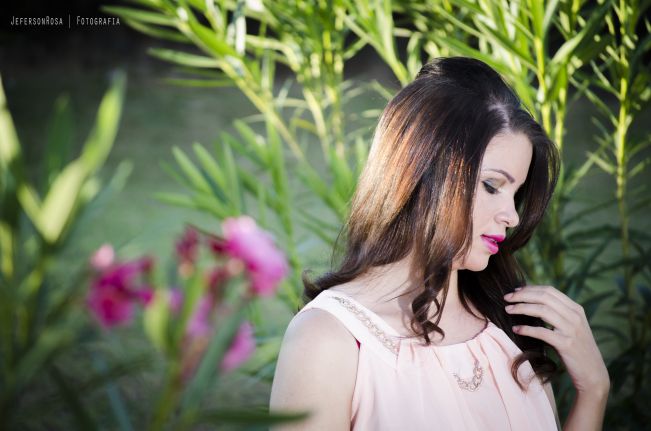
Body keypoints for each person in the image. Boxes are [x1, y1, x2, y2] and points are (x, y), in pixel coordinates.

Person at [269, 57, 610, 430]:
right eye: (492, 186)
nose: (512, 217)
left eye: (516, 194)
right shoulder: (329, 340)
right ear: (423, 172)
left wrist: (594, 388)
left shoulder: (509, 323)